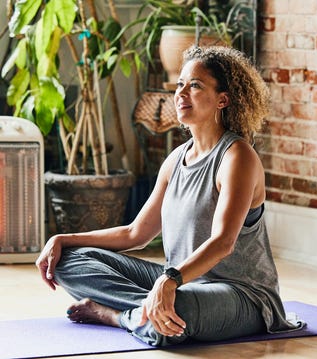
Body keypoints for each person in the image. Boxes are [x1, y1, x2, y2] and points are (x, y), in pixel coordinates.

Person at [36, 46, 303, 346]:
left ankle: (116, 315)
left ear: (222, 100)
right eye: (179, 85)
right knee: (66, 262)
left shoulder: (237, 156)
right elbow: (135, 234)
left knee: (178, 310)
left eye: (195, 86)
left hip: (241, 295)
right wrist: (63, 240)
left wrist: (170, 280)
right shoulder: (176, 160)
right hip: (179, 281)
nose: (181, 93)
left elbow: (223, 242)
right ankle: (151, 310)